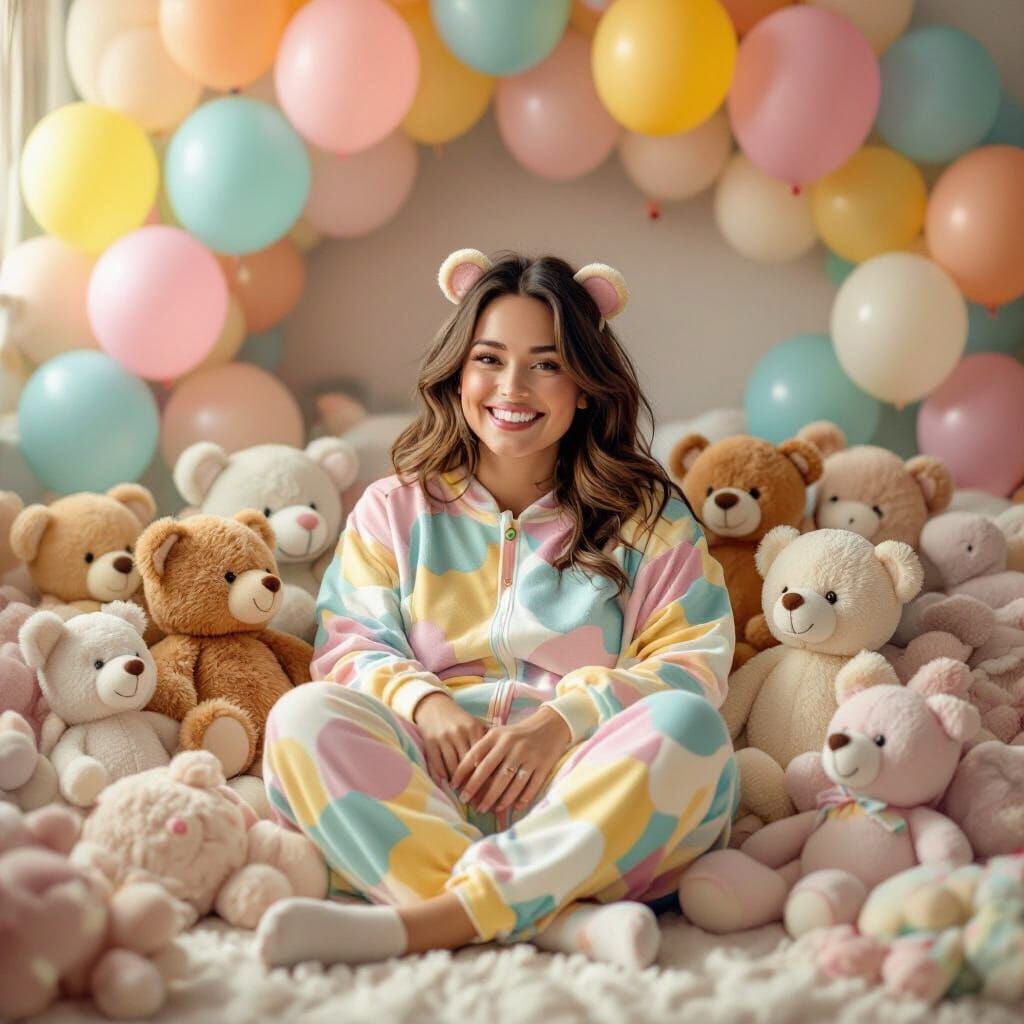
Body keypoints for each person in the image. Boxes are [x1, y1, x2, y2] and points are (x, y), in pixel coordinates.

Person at [256, 249, 737, 971]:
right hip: (428, 785)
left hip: (586, 796)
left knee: (691, 730)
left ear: (584, 386)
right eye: (490, 358)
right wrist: (427, 706)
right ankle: (554, 921)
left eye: (546, 363)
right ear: (458, 372)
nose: (513, 386)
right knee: (302, 717)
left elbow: (693, 666)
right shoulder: (395, 506)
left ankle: (427, 922)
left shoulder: (649, 516)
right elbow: (350, 646)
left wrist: (558, 724)